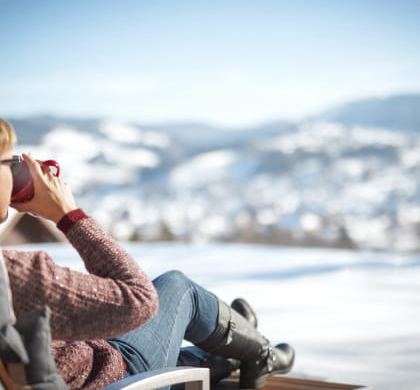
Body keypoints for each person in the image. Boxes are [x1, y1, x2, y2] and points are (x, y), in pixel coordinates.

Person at [0, 118, 294, 389]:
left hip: (85, 367)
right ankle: (262, 355)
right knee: (178, 288)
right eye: (10, 164)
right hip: (117, 377)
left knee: (155, 341)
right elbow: (140, 300)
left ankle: (234, 348)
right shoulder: (14, 274)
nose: (15, 173)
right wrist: (68, 214)